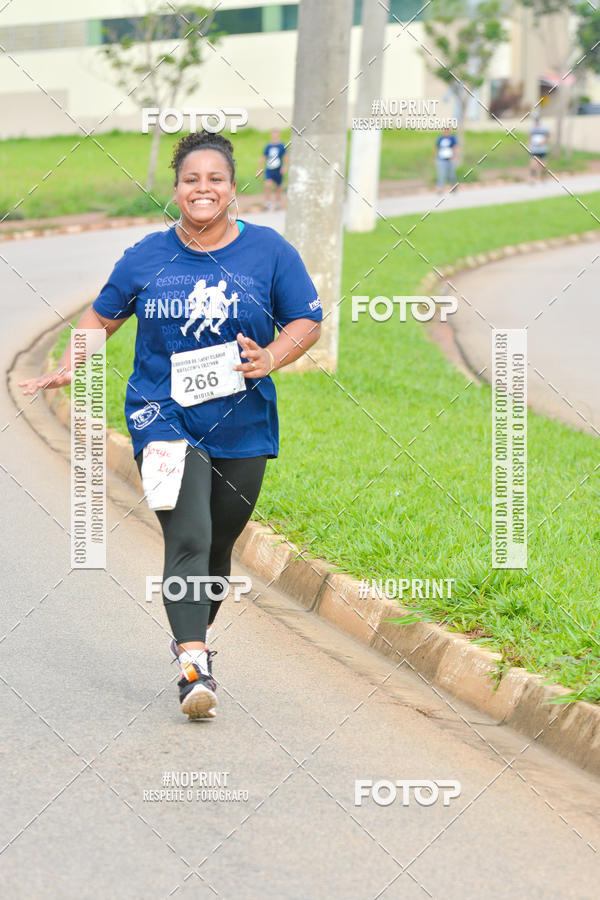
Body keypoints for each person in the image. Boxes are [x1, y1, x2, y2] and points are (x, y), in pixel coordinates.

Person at [20, 130, 322, 721]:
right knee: (188, 535)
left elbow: (305, 321)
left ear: (232, 188)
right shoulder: (145, 256)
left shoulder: (269, 251)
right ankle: (194, 666)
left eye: (214, 179)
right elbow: (101, 319)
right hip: (160, 415)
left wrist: (270, 356)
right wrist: (68, 365)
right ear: (176, 188)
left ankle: (192, 639)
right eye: (191, 179)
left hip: (242, 421)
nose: (202, 189)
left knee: (219, 545)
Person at [260, 129, 287, 210]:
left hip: (278, 168)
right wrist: (260, 168)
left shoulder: (281, 146)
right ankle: (267, 202)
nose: (275, 136)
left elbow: (285, 157)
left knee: (278, 186)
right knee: (267, 185)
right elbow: (263, 157)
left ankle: (278, 203)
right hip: (269, 169)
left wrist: (284, 166)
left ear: (279, 135)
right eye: (273, 134)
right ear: (271, 135)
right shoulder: (268, 146)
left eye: (276, 134)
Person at [433, 128, 459, 193]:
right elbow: (436, 148)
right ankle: (440, 188)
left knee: (451, 175)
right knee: (441, 175)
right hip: (441, 159)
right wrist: (434, 158)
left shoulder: (452, 138)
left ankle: (453, 187)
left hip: (450, 159)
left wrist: (454, 156)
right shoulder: (440, 139)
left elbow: (455, 148)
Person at [528, 115, 550, 184]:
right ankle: (532, 179)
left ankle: (543, 178)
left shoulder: (544, 129)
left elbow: (548, 137)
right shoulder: (532, 129)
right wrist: (529, 145)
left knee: (543, 165)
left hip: (542, 150)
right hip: (534, 150)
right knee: (533, 165)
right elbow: (529, 138)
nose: (536, 122)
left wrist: (543, 142)